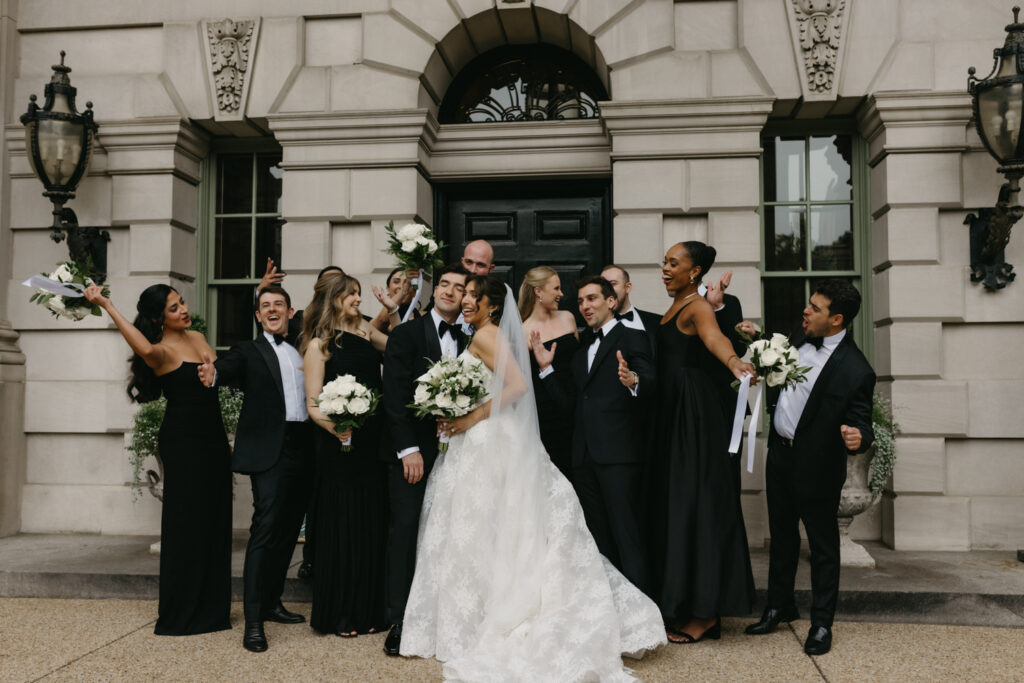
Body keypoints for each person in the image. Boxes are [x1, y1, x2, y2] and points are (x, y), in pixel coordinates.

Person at [400, 273, 666, 679]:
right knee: (485, 530)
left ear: (492, 305)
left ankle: (489, 616)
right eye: (465, 295)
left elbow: (517, 386)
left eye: (474, 296)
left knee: (488, 529)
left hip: (490, 438)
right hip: (478, 440)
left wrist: (470, 415)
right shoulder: (485, 334)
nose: (466, 300)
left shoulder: (486, 335)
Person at [82, 283, 231, 636]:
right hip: (183, 442)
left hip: (213, 438)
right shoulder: (159, 351)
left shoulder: (196, 336)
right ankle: (182, 612)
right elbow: (142, 344)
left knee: (215, 518)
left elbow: (218, 377)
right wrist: (106, 304)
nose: (183, 309)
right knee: (187, 523)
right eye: (174, 308)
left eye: (182, 303)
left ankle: (213, 611)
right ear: (157, 317)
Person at [741, 279, 875, 656]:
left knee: (822, 546)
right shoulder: (801, 334)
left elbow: (862, 421)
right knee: (781, 538)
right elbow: (779, 361)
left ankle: (821, 624)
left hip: (817, 465)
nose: (806, 311)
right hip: (780, 455)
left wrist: (858, 438)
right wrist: (759, 337)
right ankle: (779, 606)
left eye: (815, 308)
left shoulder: (857, 369)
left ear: (836, 320)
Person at [646, 241, 757, 644]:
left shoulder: (698, 307)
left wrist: (734, 363)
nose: (665, 268)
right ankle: (683, 603)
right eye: (664, 261)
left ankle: (706, 614)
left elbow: (715, 340)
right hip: (673, 413)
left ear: (694, 272)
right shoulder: (677, 305)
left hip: (693, 418)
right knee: (679, 504)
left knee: (698, 504)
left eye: (673, 263)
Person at [197, 285, 313, 652]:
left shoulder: (305, 347)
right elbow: (225, 370)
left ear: (290, 312)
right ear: (258, 316)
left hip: (306, 448)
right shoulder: (248, 351)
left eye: (279, 304)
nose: (273, 309)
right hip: (271, 452)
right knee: (265, 530)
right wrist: (212, 374)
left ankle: (273, 602)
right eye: (266, 306)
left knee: (289, 529)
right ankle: (254, 621)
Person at [530, 275, 654, 593]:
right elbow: (572, 403)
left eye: (592, 299)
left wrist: (634, 380)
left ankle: (643, 613)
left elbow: (651, 378)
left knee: (628, 536)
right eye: (581, 300)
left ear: (611, 301)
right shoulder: (583, 345)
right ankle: (613, 607)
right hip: (583, 458)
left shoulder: (632, 335)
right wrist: (545, 369)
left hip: (618, 456)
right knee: (598, 539)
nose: (585, 306)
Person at [380, 263, 470, 656]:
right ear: (434, 292)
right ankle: (399, 620)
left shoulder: (476, 338)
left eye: (459, 287)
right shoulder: (406, 334)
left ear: (468, 296)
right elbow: (395, 396)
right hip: (413, 455)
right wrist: (408, 450)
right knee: (406, 530)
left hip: (462, 454)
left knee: (452, 536)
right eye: (445, 285)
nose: (450, 291)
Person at [302, 273, 393, 637]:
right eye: (351, 294)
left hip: (371, 443)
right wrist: (336, 427)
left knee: (370, 520)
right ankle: (341, 613)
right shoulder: (318, 344)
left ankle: (369, 610)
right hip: (339, 445)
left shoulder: (366, 331)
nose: (357, 299)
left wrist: (392, 310)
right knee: (343, 524)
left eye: (358, 294)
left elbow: (400, 349)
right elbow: (312, 402)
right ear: (334, 299)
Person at [518, 266, 579, 480]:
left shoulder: (568, 318)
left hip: (576, 407)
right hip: (548, 416)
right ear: (538, 292)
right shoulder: (523, 331)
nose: (561, 294)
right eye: (556, 288)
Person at [600, 264, 661, 354]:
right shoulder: (594, 329)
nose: (607, 290)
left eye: (613, 284)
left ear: (627, 288)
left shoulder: (657, 323)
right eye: (603, 286)